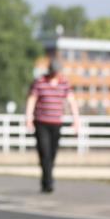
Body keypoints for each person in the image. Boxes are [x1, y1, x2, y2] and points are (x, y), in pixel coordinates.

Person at [25, 59, 80, 193]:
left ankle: (46, 179)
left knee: (52, 153)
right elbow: (32, 100)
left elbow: (72, 101)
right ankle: (48, 182)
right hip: (41, 122)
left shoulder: (64, 83)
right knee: (44, 151)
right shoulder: (40, 82)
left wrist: (76, 120)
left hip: (56, 123)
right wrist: (28, 118)